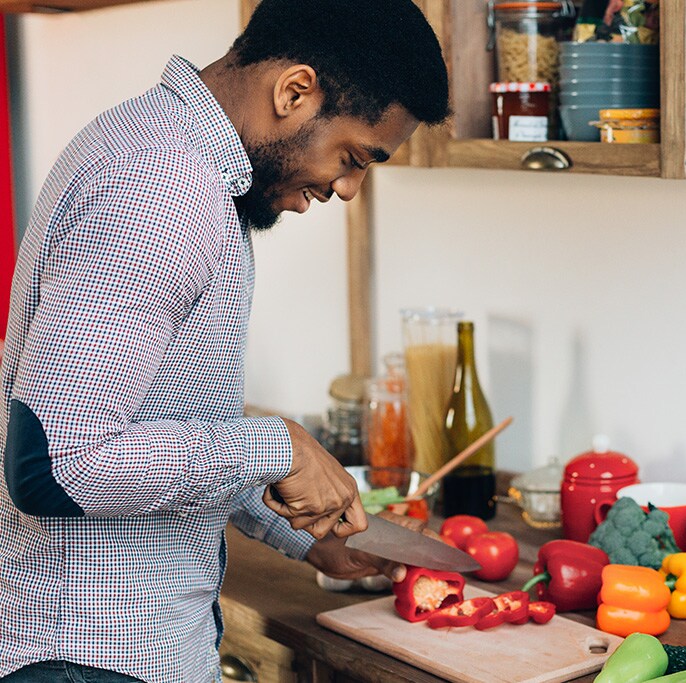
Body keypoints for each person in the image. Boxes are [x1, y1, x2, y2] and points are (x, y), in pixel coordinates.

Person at [0, 1, 449, 681]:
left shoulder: (182, 165)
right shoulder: (161, 188)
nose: (349, 188)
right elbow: (56, 463)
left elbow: (158, 425)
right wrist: (274, 444)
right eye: (353, 157)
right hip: (88, 660)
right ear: (293, 91)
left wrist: (303, 537)